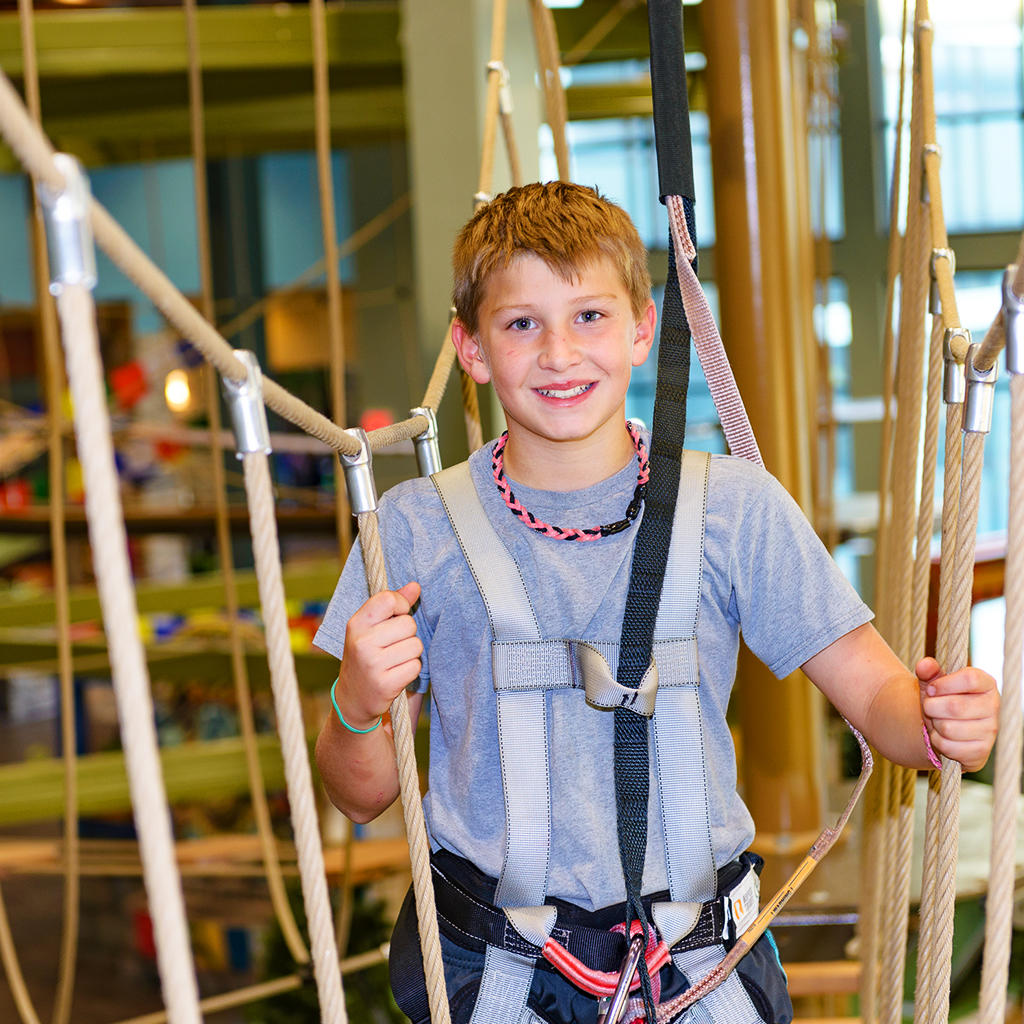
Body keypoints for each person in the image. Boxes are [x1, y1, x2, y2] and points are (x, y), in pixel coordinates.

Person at [313, 182, 999, 1024]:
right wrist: (356, 699)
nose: (560, 353)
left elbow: (877, 696)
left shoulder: (733, 508)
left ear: (642, 329)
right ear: (472, 348)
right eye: (522, 323)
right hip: (490, 976)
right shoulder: (415, 530)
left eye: (590, 317)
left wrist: (934, 720)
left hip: (700, 969)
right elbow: (359, 795)